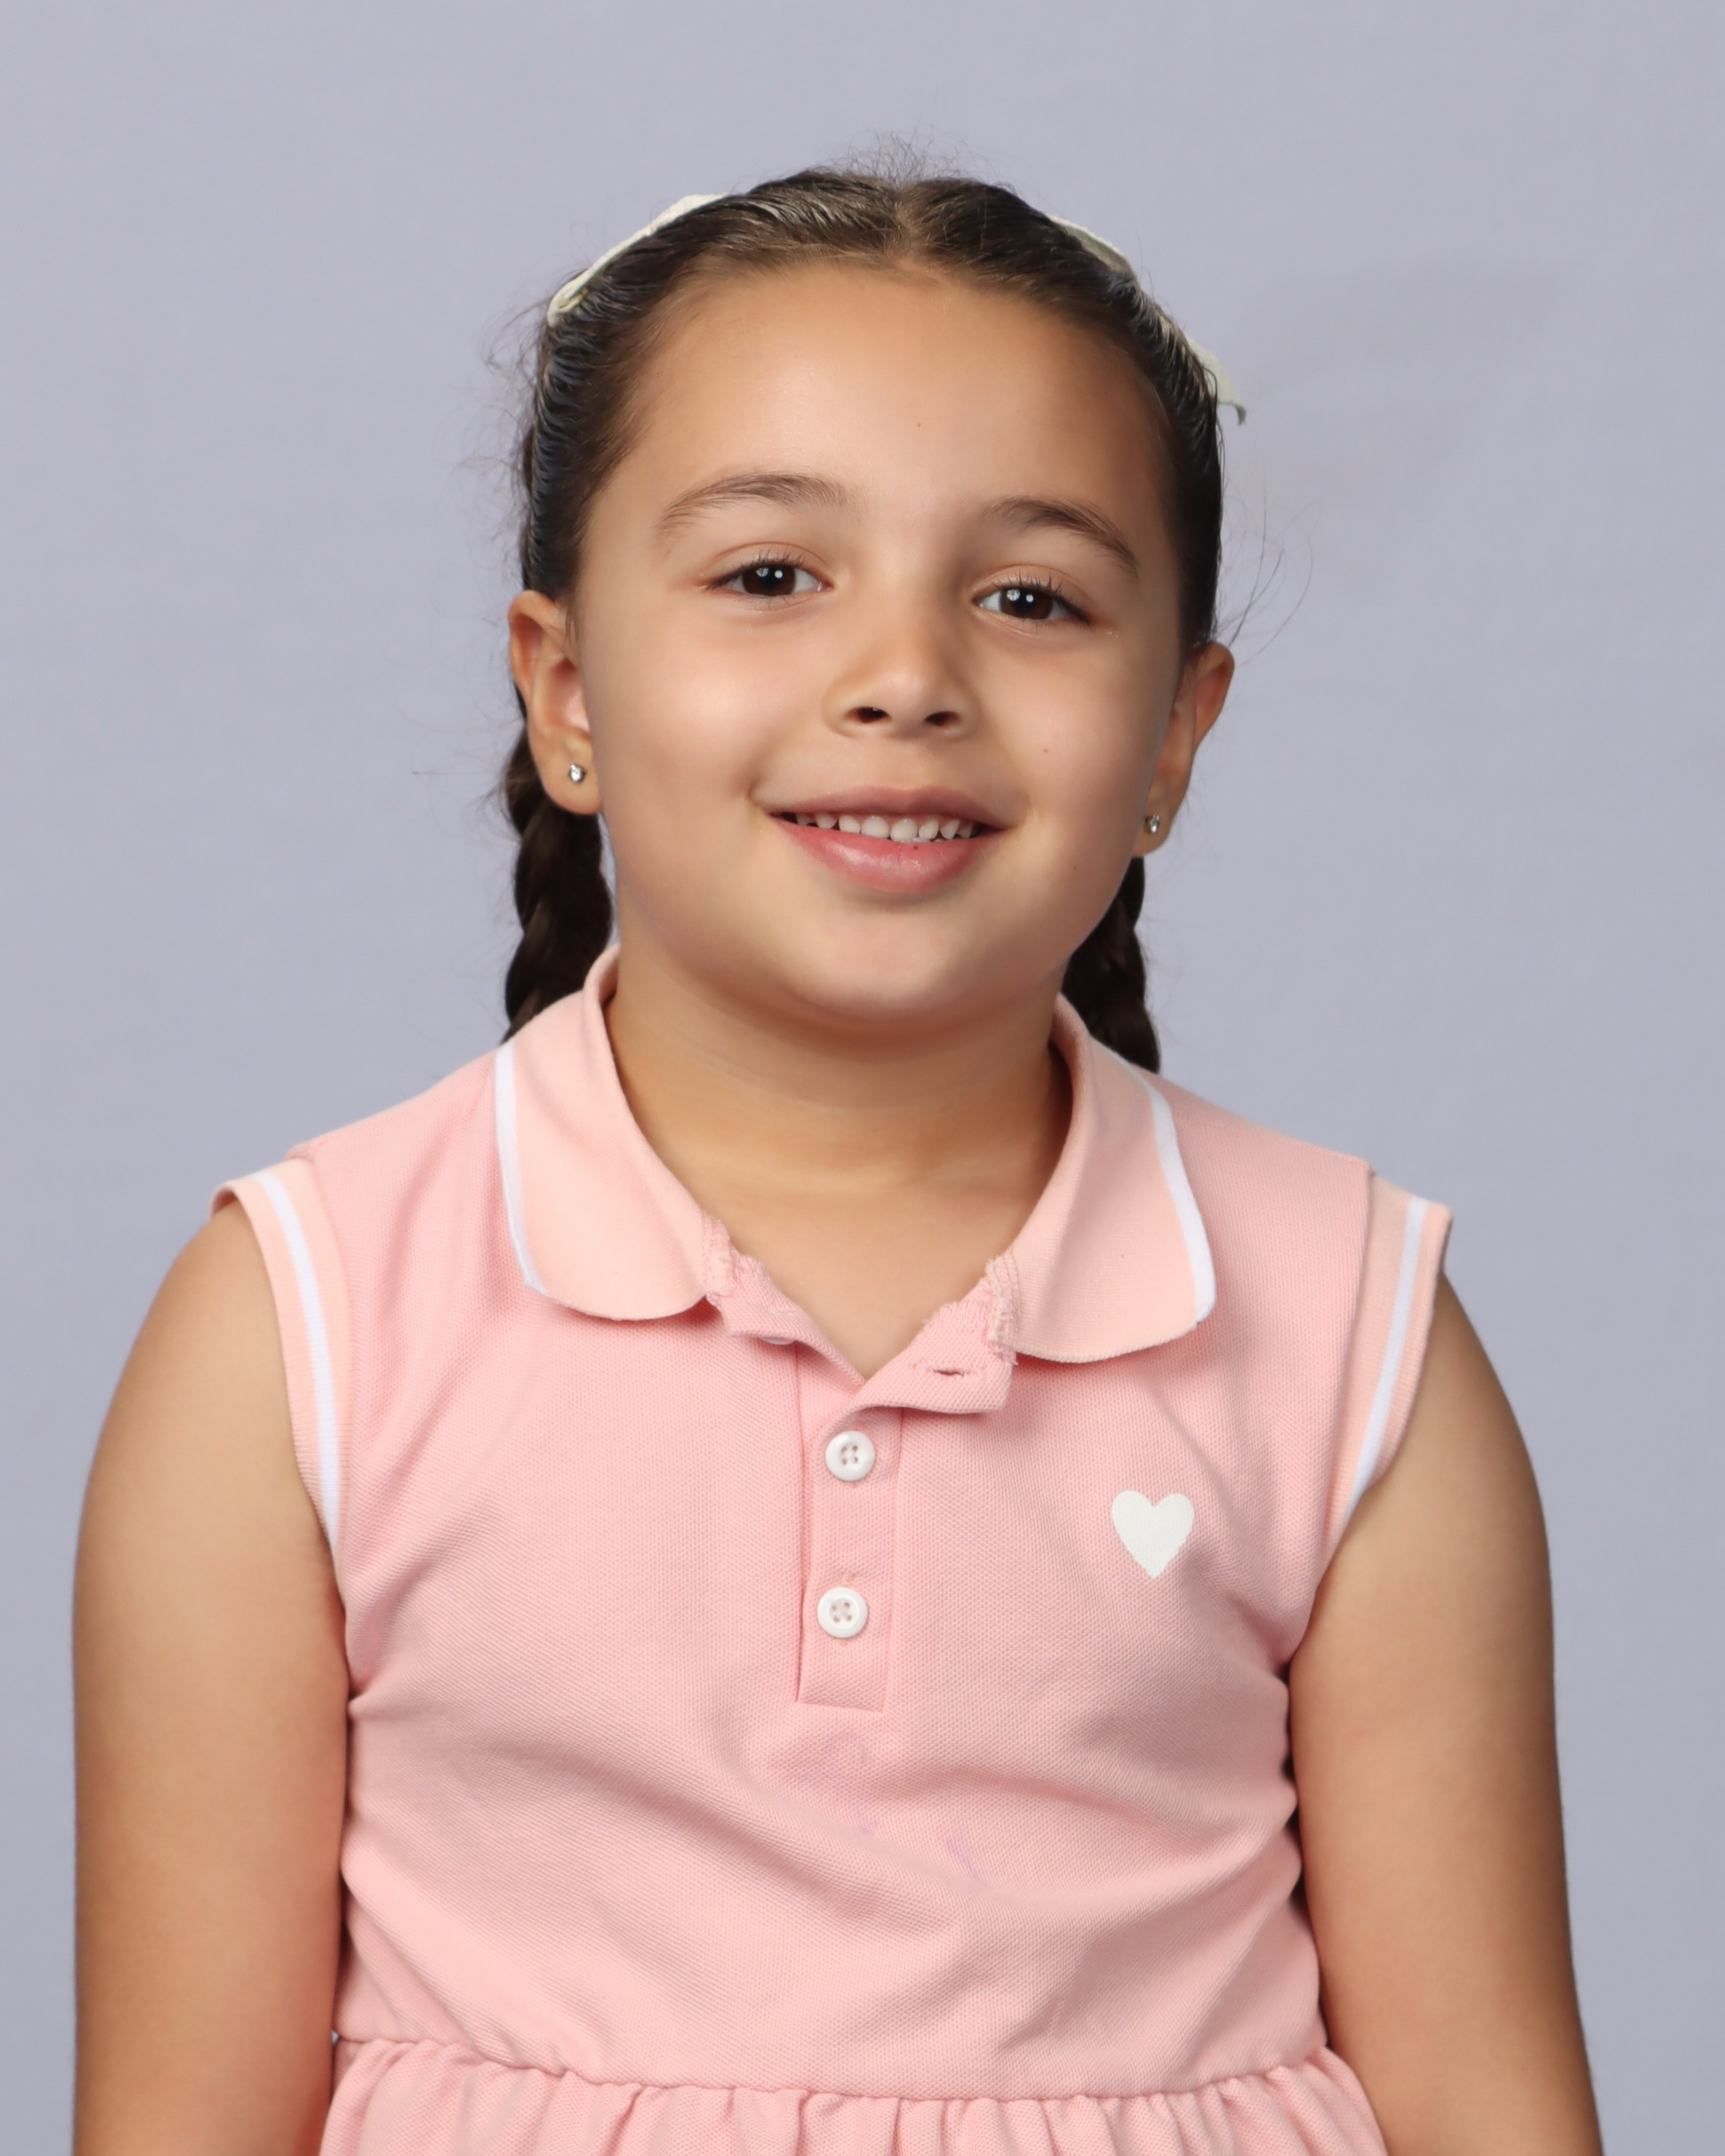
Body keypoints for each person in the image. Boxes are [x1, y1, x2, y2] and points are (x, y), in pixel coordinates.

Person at [73, 167, 1604, 2156]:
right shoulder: (306, 1329)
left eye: (1030, 597)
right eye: (772, 574)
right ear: (564, 691)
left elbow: (1487, 2100)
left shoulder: (1347, 1340)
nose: (905, 673)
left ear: (1175, 734)